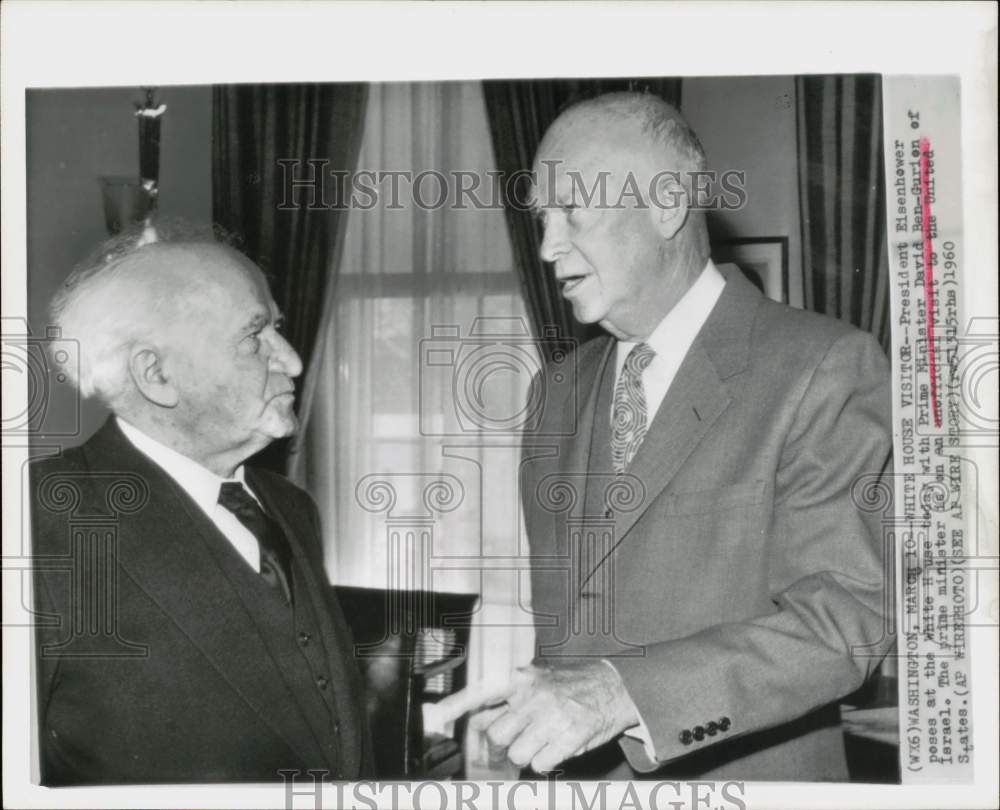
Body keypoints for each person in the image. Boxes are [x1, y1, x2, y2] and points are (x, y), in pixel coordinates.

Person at [445, 93, 893, 781]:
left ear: (667, 204)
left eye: (572, 212)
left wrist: (623, 694)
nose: (547, 247)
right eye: (541, 219)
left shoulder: (821, 367)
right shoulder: (553, 392)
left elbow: (845, 620)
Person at [30, 228, 370, 784]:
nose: (292, 360)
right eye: (254, 336)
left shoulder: (290, 506)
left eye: (277, 329)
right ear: (157, 375)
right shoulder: (36, 521)